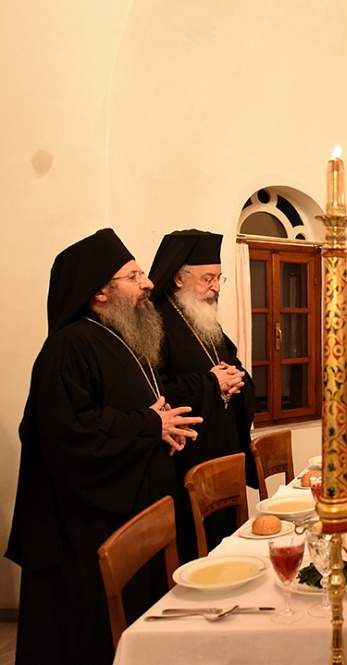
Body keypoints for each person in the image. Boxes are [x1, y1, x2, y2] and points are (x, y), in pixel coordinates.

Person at [6, 229, 202, 665]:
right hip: (83, 530)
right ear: (99, 292)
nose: (147, 283)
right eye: (133, 276)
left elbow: (129, 412)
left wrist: (160, 427)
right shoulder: (69, 347)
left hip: (131, 510)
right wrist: (150, 424)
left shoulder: (123, 338)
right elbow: (67, 433)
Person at [148, 229, 256, 561]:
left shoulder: (205, 319)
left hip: (222, 445)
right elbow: (155, 389)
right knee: (196, 551)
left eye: (219, 278)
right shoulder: (156, 323)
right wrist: (211, 383)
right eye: (207, 279)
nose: (215, 287)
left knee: (228, 544)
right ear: (178, 278)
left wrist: (237, 379)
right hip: (188, 457)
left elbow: (231, 363)